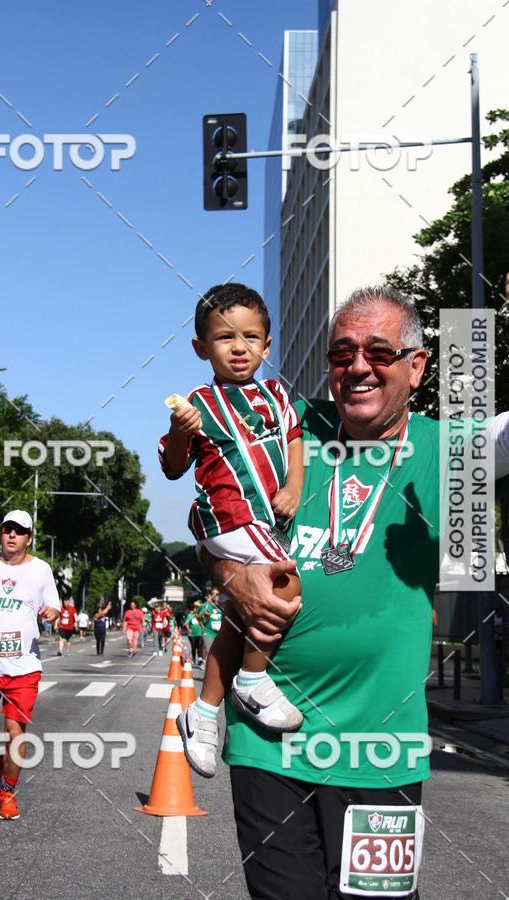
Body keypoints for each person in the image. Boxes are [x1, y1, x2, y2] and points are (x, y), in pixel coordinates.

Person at [199, 285, 509, 898]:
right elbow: (213, 521)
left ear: (417, 367)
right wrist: (234, 578)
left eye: (379, 352)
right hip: (269, 749)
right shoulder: (290, 428)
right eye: (342, 354)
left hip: (381, 753)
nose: (358, 367)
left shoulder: (447, 453)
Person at [159, 283, 305, 778]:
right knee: (285, 584)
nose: (239, 347)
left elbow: (295, 439)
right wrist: (181, 431)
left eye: (250, 337)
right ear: (202, 348)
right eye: (224, 338)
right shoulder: (197, 403)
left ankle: (200, 715)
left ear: (267, 344)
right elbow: (174, 468)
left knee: (239, 617)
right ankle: (251, 679)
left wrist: (294, 485)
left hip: (268, 516)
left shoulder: (277, 393)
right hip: (228, 515)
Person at [0, 509, 60, 821]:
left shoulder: (41, 570)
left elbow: (55, 606)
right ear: (1, 534)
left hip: (24, 667)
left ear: (29, 539)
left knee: (16, 734)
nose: (12, 535)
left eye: (19, 531)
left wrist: (51, 614)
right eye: (7, 530)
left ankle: (7, 791)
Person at [183, 600, 204, 666]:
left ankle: (200, 659)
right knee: (193, 646)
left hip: (199, 633)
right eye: (195, 608)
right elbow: (186, 624)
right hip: (192, 634)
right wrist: (189, 629)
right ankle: (194, 659)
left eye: (197, 608)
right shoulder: (190, 615)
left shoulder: (199, 615)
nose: (196, 609)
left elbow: (202, 623)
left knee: (199, 646)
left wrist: (203, 628)